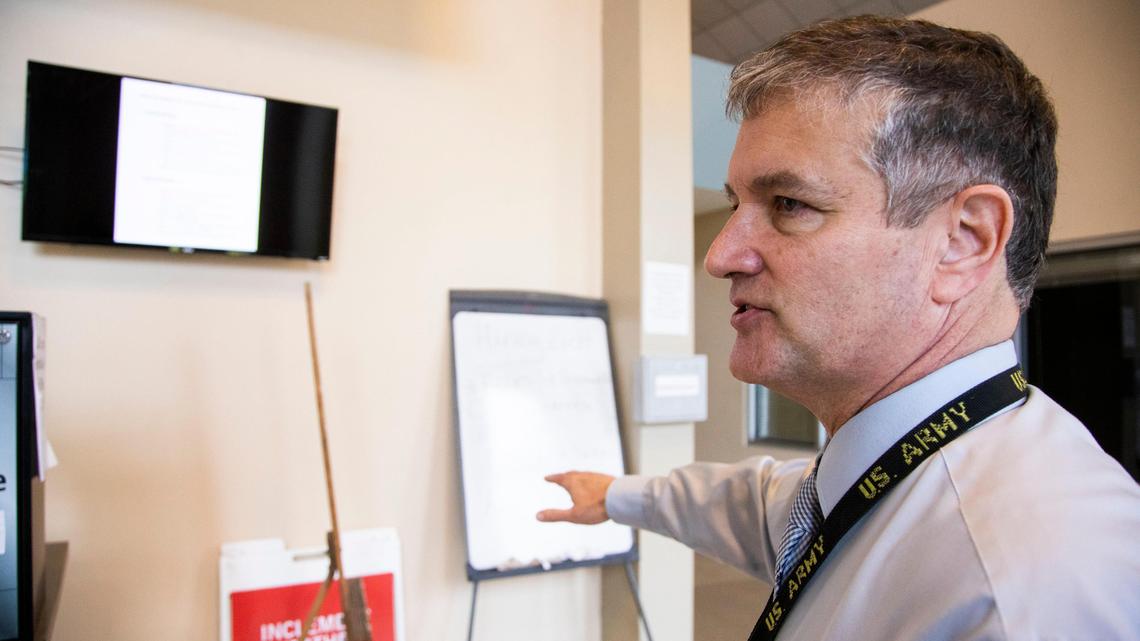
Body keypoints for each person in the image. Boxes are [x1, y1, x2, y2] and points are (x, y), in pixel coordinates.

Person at [537, 15, 1140, 641]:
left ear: (963, 242)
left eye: (789, 204)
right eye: (737, 203)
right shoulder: (890, 471)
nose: (721, 256)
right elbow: (756, 504)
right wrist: (615, 495)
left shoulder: (1021, 595)